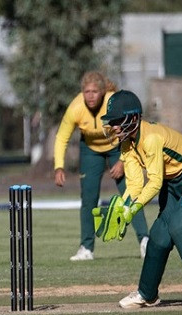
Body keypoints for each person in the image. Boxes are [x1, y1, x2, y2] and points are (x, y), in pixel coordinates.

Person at [100, 90, 182, 309]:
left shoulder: (152, 137)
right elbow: (136, 185)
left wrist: (134, 208)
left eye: (118, 121)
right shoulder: (127, 145)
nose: (114, 126)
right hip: (173, 181)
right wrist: (122, 207)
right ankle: (147, 294)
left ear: (134, 118)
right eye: (112, 121)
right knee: (159, 235)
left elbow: (154, 183)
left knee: (181, 224)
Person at [54, 71, 149, 261]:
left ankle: (145, 241)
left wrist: (123, 160)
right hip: (90, 150)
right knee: (88, 198)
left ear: (103, 91)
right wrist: (59, 166)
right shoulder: (76, 107)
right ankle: (86, 248)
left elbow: (132, 130)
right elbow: (62, 137)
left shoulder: (113, 101)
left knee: (131, 193)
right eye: (86, 91)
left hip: (119, 146)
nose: (90, 96)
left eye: (95, 91)